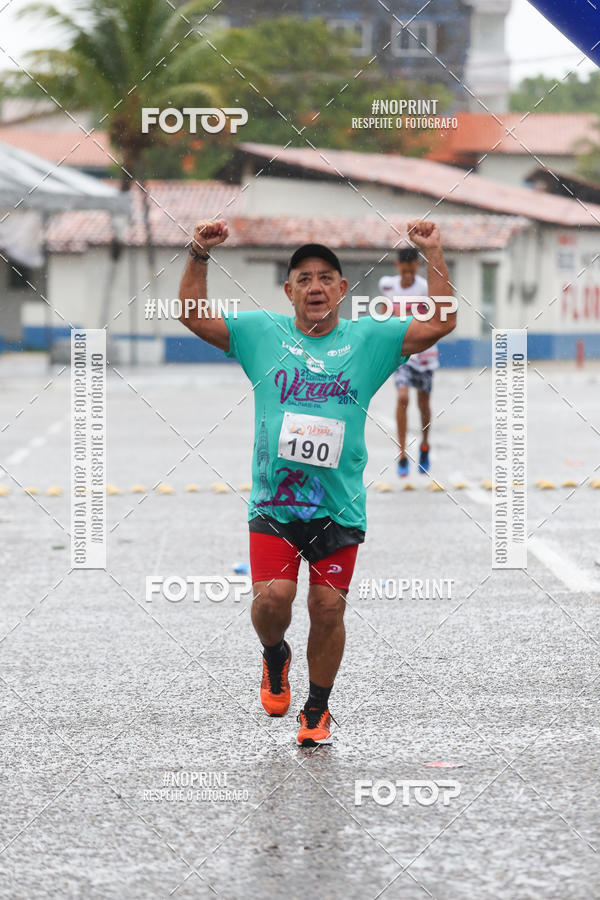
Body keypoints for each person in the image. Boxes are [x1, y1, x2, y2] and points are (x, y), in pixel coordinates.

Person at [178, 219, 455, 746]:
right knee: (272, 602)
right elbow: (193, 316)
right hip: (275, 503)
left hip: (339, 506)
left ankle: (317, 708)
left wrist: (434, 252)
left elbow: (441, 323)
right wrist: (197, 254)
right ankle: (274, 654)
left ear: (342, 289)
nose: (316, 287)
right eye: (304, 279)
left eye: (326, 277)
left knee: (327, 608)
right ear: (289, 291)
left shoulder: (369, 338)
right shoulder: (262, 332)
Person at [378, 247, 440, 477]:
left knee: (423, 404)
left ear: (417, 266)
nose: (407, 275)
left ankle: (424, 444)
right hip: (402, 351)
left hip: (424, 353)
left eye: (411, 270)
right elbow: (383, 315)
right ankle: (402, 453)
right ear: (397, 267)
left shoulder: (424, 288)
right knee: (402, 397)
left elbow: (433, 318)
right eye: (403, 271)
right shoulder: (388, 286)